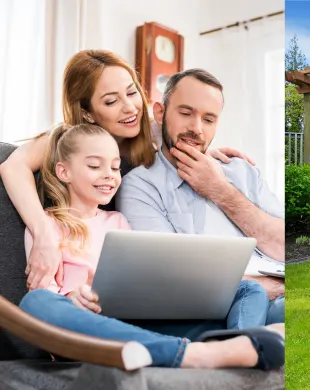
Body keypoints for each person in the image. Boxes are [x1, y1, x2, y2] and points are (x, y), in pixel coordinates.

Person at [19, 123, 284, 370]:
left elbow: (140, 276)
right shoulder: (44, 226)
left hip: (140, 322)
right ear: (64, 171)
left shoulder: (118, 220)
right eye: (94, 166)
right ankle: (198, 354)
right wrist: (72, 298)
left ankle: (240, 346)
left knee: (247, 288)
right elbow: (44, 291)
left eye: (114, 167)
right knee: (35, 302)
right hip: (86, 332)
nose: (109, 176)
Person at [0, 50, 252, 291]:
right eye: (111, 101)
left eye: (132, 92)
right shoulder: (69, 140)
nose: (130, 107)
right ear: (87, 113)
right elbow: (12, 166)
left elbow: (185, 133)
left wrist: (206, 154)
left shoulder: (150, 130)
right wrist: (43, 234)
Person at [116, 68, 285, 325]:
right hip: (237, 306)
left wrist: (221, 191)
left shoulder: (241, 170)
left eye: (208, 119)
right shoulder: (141, 185)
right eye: (185, 113)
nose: (196, 129)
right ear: (160, 113)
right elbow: (169, 275)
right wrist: (263, 287)